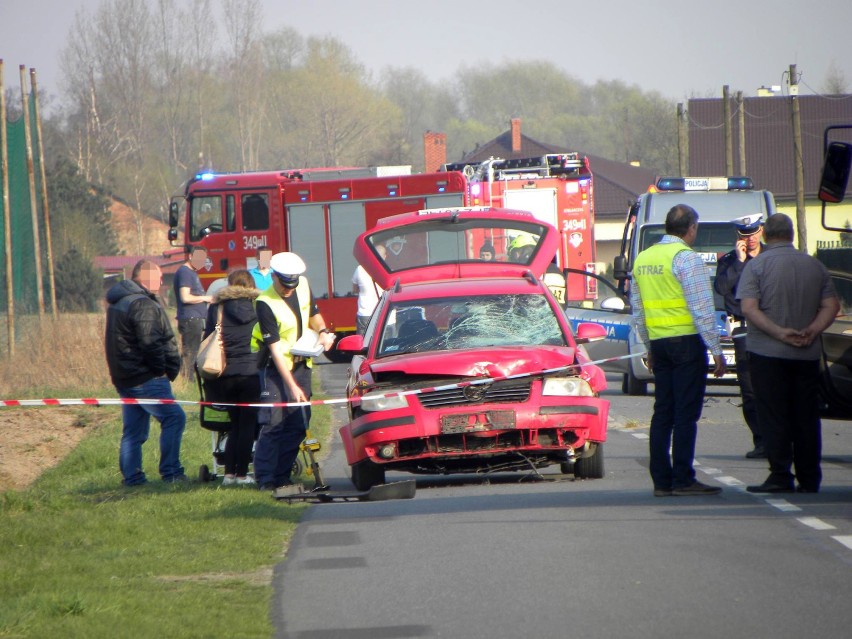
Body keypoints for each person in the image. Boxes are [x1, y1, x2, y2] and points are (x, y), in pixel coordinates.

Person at [738, 214, 839, 494]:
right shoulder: (814, 266)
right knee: (806, 415)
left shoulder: (756, 267)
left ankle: (780, 474)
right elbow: (832, 305)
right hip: (806, 355)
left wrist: (778, 332)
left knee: (774, 414)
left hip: (767, 353)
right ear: (792, 234)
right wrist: (811, 331)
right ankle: (809, 476)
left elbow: (748, 308)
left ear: (767, 236)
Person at [631, 204, 726, 497]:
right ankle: (683, 478)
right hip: (686, 344)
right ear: (691, 228)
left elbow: (639, 311)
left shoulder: (643, 259)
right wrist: (716, 349)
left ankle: (661, 481)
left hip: (660, 345)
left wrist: (649, 346)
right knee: (685, 414)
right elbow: (701, 308)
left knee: (663, 413)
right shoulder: (687, 259)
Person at [251, 252, 336, 498]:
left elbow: (314, 313)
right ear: (274, 277)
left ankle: (283, 475)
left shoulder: (302, 285)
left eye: (293, 284)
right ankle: (265, 479)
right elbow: (276, 351)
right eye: (284, 285)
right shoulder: (265, 302)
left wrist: (322, 331)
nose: (289, 289)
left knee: (299, 423)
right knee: (274, 422)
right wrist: (292, 386)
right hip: (274, 369)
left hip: (301, 363)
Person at [105, 260, 187, 485]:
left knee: (134, 430)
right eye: (158, 277)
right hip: (145, 377)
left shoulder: (119, 301)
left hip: (125, 377)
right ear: (145, 277)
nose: (161, 282)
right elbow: (151, 343)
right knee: (174, 417)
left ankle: (132, 478)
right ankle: (171, 472)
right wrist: (161, 370)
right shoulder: (142, 304)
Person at [714, 213, 766, 458]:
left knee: (771, 384)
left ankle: (779, 438)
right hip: (743, 330)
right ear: (738, 237)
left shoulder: (771, 257)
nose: (751, 239)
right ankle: (761, 440)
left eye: (754, 233)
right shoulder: (728, 261)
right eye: (746, 235)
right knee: (749, 388)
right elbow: (722, 288)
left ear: (762, 231)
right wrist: (740, 261)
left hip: (770, 327)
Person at [202, 269, 261, 486]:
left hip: (224, 374)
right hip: (250, 373)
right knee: (247, 425)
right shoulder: (258, 306)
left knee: (233, 424)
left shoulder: (217, 308)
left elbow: (208, 337)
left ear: (229, 284)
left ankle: (228, 474)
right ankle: (242, 474)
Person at [174, 246, 213, 379]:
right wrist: (206, 298)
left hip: (194, 318)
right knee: (190, 352)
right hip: (190, 319)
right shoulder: (185, 272)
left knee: (193, 351)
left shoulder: (192, 272)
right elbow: (185, 297)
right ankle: (186, 379)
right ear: (190, 256)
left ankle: (188, 378)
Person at [352, 244, 387, 336]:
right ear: (385, 256)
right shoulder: (390, 271)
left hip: (365, 315)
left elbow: (355, 290)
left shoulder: (360, 269)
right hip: (386, 315)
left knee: (363, 345)